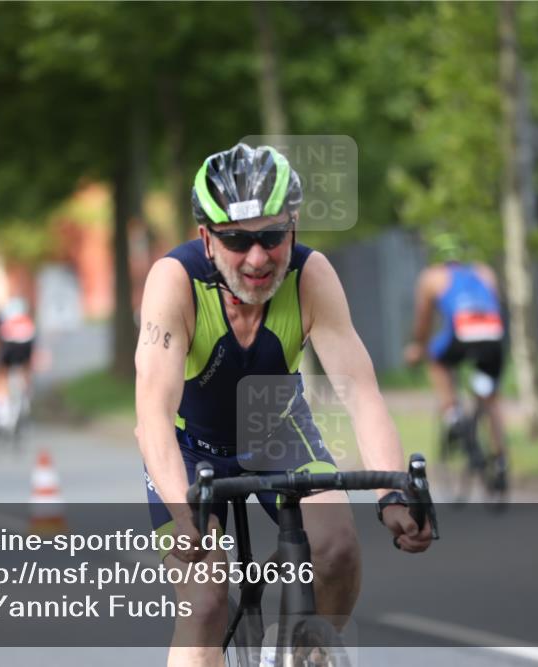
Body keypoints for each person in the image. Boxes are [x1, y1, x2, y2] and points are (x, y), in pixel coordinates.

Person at [134, 143, 433, 667]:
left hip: (273, 423)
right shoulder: (173, 281)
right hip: (186, 446)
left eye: (272, 237)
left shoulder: (312, 277)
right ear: (206, 237)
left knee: (337, 549)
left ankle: (303, 654)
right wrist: (185, 515)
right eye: (236, 240)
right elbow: (152, 418)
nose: (257, 257)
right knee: (205, 601)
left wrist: (393, 493)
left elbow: (360, 393)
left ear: (292, 229)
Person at [404, 236, 510, 490]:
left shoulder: (431, 277)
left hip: (461, 335)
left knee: (436, 359)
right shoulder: (483, 271)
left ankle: (453, 415)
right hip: (493, 336)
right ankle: (500, 461)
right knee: (490, 397)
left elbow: (423, 323)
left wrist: (417, 347)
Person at [0, 297, 36, 429]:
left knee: (0, 374)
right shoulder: (28, 321)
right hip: (26, 346)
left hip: (9, 346)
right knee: (26, 368)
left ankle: (0, 410)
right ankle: (27, 396)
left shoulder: (6, 320)